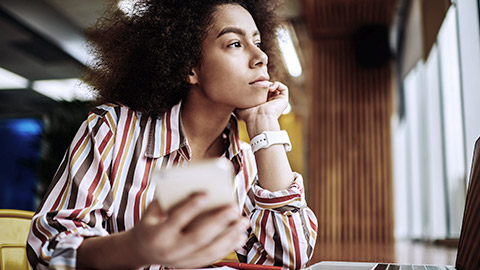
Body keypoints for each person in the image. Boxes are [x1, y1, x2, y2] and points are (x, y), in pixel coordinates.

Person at [26, 0, 318, 269]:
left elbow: (288, 260)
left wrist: (265, 122)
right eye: (234, 43)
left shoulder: (250, 163)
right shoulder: (113, 130)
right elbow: (46, 249)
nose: (261, 57)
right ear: (189, 67)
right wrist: (136, 247)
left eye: (257, 42)